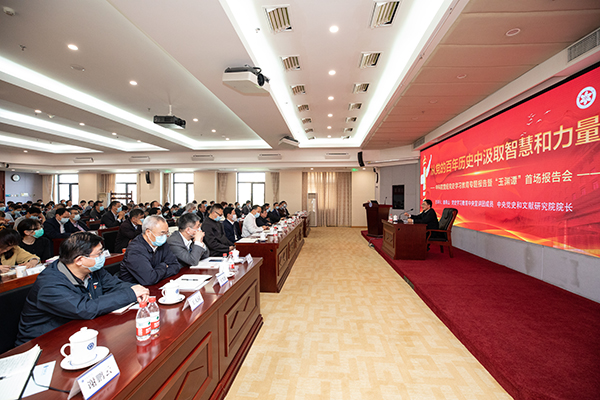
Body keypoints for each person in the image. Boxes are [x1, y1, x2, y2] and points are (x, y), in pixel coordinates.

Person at [16, 232, 149, 345]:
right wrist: (131, 293)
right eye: (99, 254)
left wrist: (136, 288)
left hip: (80, 330)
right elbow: (85, 308)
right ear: (79, 260)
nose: (103, 257)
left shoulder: (91, 269)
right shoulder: (50, 284)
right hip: (43, 343)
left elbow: (115, 284)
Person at [119, 215, 181, 285]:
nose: (165, 236)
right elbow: (149, 279)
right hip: (135, 288)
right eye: (162, 233)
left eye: (166, 233)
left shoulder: (162, 244)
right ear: (148, 232)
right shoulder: (135, 250)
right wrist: (163, 265)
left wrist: (156, 274)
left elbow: (176, 266)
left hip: (157, 284)